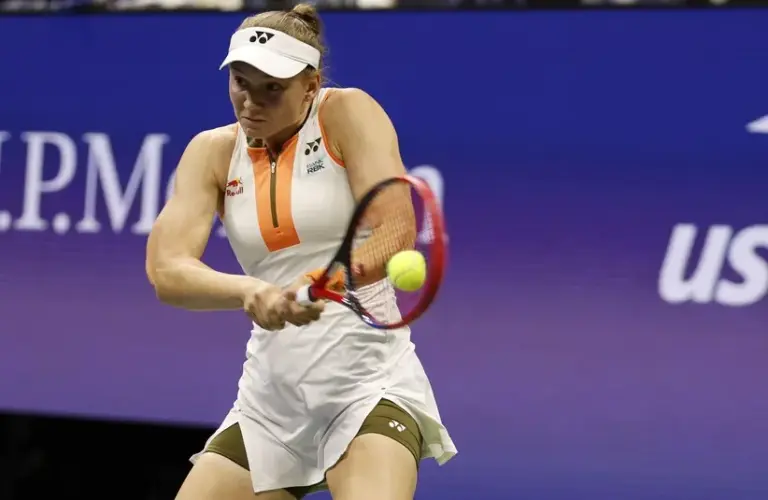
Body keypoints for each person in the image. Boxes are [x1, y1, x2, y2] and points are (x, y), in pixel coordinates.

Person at [145, 4, 457, 500]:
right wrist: (252, 291)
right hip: (269, 399)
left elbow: (395, 230)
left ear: (310, 85)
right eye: (241, 82)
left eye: (273, 88)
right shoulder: (210, 151)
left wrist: (323, 282)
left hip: (366, 384)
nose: (250, 102)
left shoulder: (347, 112)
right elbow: (168, 270)